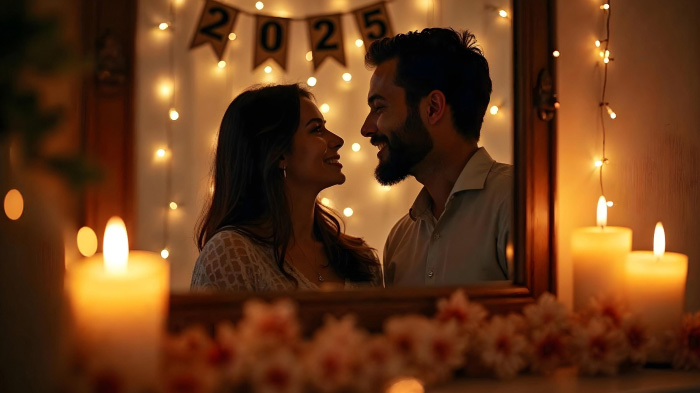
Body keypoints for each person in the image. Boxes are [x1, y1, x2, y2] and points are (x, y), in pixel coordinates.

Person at [192, 84, 382, 291]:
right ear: (279, 154)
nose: (338, 140)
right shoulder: (231, 255)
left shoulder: (361, 260)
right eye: (316, 129)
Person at [361, 28, 512, 286]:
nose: (367, 128)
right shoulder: (399, 241)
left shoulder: (515, 203)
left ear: (432, 108)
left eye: (379, 108)